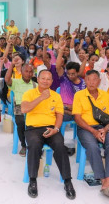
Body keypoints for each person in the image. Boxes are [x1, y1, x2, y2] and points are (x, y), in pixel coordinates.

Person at [21, 69, 76, 199]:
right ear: (38, 79)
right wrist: (41, 97)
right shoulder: (29, 93)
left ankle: (67, 181)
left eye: (48, 79)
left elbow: (59, 115)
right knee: (34, 145)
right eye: (43, 78)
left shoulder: (56, 96)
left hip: (51, 128)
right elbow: (24, 109)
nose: (45, 81)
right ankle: (32, 180)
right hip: (33, 128)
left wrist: (56, 129)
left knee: (60, 145)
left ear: (52, 81)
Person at [72, 70, 109, 200]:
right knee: (93, 147)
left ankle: (108, 182)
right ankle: (103, 179)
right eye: (89, 79)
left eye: (95, 79)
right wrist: (93, 131)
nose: (92, 82)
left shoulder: (105, 95)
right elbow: (77, 118)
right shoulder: (79, 95)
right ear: (85, 81)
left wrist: (105, 129)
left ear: (99, 81)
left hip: (103, 127)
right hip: (85, 128)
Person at [5, 63, 35, 156]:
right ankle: (24, 145)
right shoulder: (16, 82)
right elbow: (7, 79)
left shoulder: (35, 85)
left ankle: (34, 144)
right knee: (21, 122)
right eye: (26, 71)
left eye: (30, 72)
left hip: (32, 107)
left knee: (37, 122)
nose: (28, 74)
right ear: (21, 72)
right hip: (19, 107)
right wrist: (12, 65)